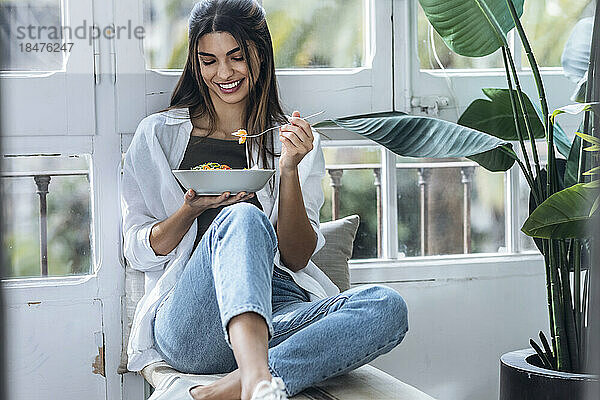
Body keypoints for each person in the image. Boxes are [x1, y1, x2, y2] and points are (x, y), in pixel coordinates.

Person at [121, 1, 409, 399]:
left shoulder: (286, 142)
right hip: (194, 322)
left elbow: (295, 258)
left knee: (386, 306)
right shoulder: (158, 136)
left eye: (236, 57)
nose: (223, 73)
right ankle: (258, 381)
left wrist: (289, 169)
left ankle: (228, 389)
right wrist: (188, 211)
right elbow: (137, 251)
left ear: (260, 53)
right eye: (209, 61)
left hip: (280, 310)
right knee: (242, 217)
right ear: (196, 64)